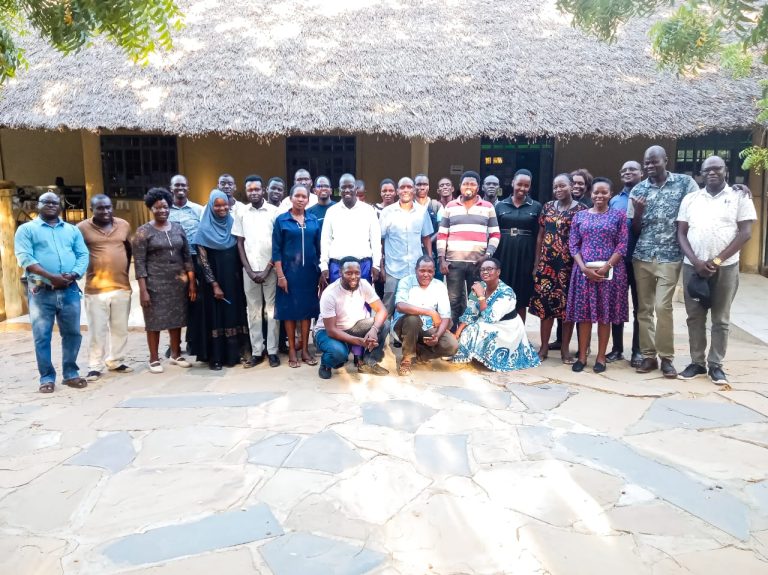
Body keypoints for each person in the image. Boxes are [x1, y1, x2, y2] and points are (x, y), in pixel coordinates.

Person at [677, 155, 756, 385]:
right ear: (701, 173)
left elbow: (745, 233)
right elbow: (681, 233)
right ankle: (697, 362)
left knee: (720, 319)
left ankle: (716, 365)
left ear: (725, 171)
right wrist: (696, 261)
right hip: (693, 267)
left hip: (726, 268)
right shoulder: (691, 199)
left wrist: (718, 260)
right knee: (694, 317)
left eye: (717, 169)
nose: (712, 173)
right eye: (707, 170)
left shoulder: (740, 197)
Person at [628, 145, 699, 378]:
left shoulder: (685, 184)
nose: (649, 166)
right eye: (646, 162)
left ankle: (666, 358)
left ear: (665, 160)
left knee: (663, 306)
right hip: (642, 255)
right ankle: (648, 356)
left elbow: (704, 202)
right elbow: (635, 230)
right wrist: (638, 212)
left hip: (670, 256)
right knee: (644, 309)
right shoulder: (638, 190)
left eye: (654, 161)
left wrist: (736, 189)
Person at [14, 192, 89, 392]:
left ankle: (71, 374)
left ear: (60, 206)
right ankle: (46, 378)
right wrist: (51, 277)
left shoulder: (72, 230)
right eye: (46, 202)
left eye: (55, 202)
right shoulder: (26, 230)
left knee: (73, 334)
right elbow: (25, 258)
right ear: (38, 205)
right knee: (42, 336)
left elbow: (83, 254)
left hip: (69, 290)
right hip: (41, 291)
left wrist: (74, 274)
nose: (51, 205)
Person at [566, 178, 629, 373]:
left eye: (604, 192)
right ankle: (582, 356)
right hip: (583, 272)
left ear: (610, 194)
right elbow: (573, 245)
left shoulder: (618, 216)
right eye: (596, 192)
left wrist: (606, 267)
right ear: (591, 194)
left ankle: (601, 357)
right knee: (583, 316)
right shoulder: (580, 216)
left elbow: (622, 245)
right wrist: (584, 268)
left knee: (604, 316)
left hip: (610, 273)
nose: (599, 196)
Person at [133, 188, 196, 373]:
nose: (162, 210)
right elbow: (139, 263)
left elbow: (187, 256)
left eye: (165, 207)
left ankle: (176, 354)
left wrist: (191, 282)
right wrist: (143, 290)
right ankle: (154, 359)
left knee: (176, 319)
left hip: (177, 283)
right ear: (151, 208)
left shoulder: (177, 228)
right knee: (154, 321)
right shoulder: (144, 231)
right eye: (158, 207)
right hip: (154, 284)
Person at [189, 191, 252, 370]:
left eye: (224, 204)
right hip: (214, 283)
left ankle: (236, 354)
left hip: (234, 281)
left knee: (235, 315)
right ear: (210, 206)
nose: (222, 208)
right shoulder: (203, 230)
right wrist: (214, 284)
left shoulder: (233, 224)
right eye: (217, 205)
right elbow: (203, 262)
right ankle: (216, 357)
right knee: (216, 317)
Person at [529, 173, 586, 363]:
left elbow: (582, 239)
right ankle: (544, 347)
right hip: (547, 266)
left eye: (562, 186)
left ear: (571, 186)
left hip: (569, 266)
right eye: (555, 187)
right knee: (545, 308)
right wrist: (537, 263)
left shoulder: (581, 210)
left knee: (567, 309)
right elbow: (540, 235)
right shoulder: (547, 207)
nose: (558, 190)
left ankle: (565, 350)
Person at [77, 194, 133, 382]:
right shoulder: (82, 228)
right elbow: (77, 252)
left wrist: (124, 271)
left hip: (121, 286)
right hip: (96, 289)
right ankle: (95, 365)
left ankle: (116, 360)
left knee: (120, 328)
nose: (106, 211)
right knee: (97, 330)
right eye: (100, 208)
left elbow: (129, 249)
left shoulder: (123, 225)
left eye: (108, 207)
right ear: (91, 209)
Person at [453, 258, 540, 372]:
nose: (485, 272)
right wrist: (458, 332)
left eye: (489, 269)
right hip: (487, 322)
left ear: (498, 272)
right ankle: (475, 355)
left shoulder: (506, 293)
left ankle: (490, 359)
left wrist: (481, 296)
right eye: (482, 269)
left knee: (477, 328)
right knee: (468, 330)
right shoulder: (480, 286)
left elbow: (490, 317)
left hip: (507, 327)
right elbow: (470, 312)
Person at [437, 170, 501, 326]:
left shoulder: (488, 207)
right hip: (453, 263)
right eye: (465, 183)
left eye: (472, 184)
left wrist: (487, 255)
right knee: (454, 301)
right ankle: (454, 334)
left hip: (478, 263)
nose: (469, 187)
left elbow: (495, 234)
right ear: (460, 186)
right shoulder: (450, 206)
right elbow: (442, 234)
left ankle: (474, 332)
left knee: (477, 299)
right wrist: (442, 259)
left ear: (478, 187)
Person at [233, 175, 280, 368]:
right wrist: (249, 270)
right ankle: (257, 351)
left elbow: (278, 243)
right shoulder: (241, 212)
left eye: (257, 189)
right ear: (246, 192)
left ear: (263, 190)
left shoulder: (274, 212)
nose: (253, 192)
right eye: (250, 190)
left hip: (271, 269)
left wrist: (268, 268)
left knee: (272, 311)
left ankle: (273, 351)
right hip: (250, 270)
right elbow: (240, 243)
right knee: (253, 311)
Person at [315, 257, 390, 379]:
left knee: (384, 323)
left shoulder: (364, 284)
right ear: (340, 273)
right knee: (338, 353)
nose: (354, 277)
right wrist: (359, 342)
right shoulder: (330, 293)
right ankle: (326, 364)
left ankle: (368, 362)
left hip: (354, 327)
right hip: (328, 332)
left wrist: (374, 329)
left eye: (357, 273)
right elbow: (331, 330)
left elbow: (382, 310)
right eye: (349, 273)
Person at [273, 184, 322, 368]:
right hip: (289, 274)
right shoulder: (281, 220)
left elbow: (319, 248)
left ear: (308, 199)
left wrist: (320, 272)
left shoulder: (313, 220)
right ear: (291, 198)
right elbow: (276, 250)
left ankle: (305, 350)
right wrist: (280, 275)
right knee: (289, 311)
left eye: (304, 196)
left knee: (307, 311)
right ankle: (292, 350)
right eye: (297, 196)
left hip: (309, 273)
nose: (301, 199)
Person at [393, 256, 458, 376]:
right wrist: (430, 312)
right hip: (404, 326)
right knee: (412, 319)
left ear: (434, 271)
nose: (426, 274)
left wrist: (437, 336)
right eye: (422, 271)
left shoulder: (439, 286)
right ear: (415, 270)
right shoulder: (406, 282)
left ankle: (419, 353)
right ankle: (407, 359)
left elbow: (445, 316)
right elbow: (400, 306)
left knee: (451, 345)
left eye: (430, 271)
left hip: (428, 327)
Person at [379, 177, 433, 313]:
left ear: (414, 190)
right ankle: (385, 328)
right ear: (397, 191)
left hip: (416, 269)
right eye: (402, 187)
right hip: (393, 269)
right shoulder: (387, 212)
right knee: (388, 307)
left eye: (409, 187)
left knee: (415, 305)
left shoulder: (422, 211)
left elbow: (426, 238)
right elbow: (380, 241)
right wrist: (381, 267)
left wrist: (430, 260)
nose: (406, 190)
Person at [494, 169, 542, 323]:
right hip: (504, 254)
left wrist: (536, 263)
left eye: (526, 185)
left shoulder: (536, 207)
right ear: (513, 183)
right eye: (519, 184)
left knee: (521, 297)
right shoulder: (500, 206)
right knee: (502, 293)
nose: (522, 188)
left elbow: (539, 236)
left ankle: (519, 332)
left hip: (525, 256)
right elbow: (493, 232)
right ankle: (502, 331)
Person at [607, 160, 643, 366]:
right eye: (624, 170)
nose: (628, 172)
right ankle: (617, 348)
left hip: (641, 260)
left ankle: (638, 351)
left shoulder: (649, 195)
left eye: (633, 169)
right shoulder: (614, 201)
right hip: (619, 261)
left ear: (641, 173)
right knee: (617, 305)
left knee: (641, 308)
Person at [320, 173, 382, 285]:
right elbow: (325, 240)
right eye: (343, 187)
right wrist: (324, 265)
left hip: (363, 265)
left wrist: (376, 265)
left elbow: (375, 240)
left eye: (350, 186)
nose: (347, 190)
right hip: (337, 266)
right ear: (339, 190)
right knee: (337, 296)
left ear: (356, 188)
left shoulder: (368, 210)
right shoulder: (331, 211)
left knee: (363, 296)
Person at [169, 174, 203, 254]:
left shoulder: (199, 209)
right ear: (171, 188)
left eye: (183, 185)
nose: (180, 187)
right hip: (172, 255)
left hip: (194, 254)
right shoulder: (165, 210)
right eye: (177, 185)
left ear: (188, 188)